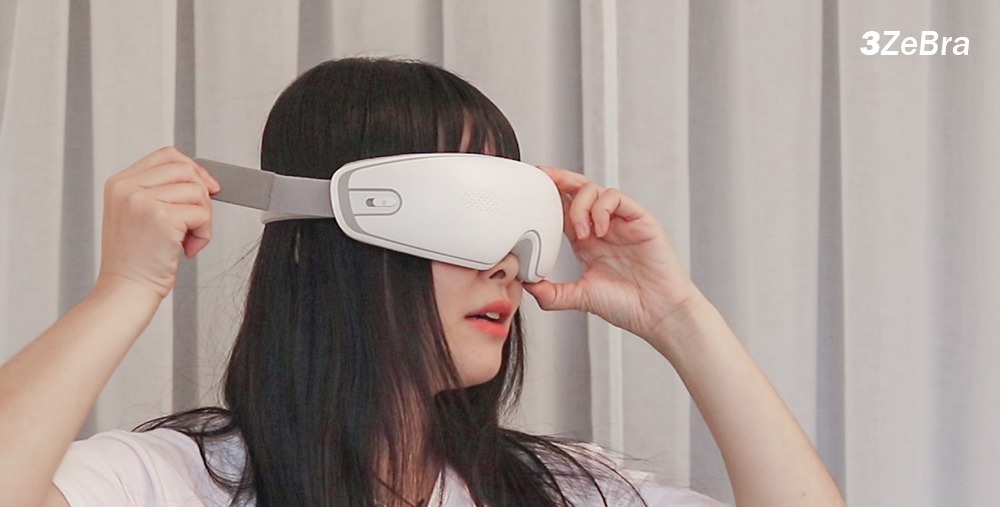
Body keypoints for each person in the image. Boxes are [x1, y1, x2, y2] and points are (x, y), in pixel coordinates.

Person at [0, 58, 844, 506]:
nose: (506, 261)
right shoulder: (176, 483)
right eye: (465, 214)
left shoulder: (559, 490)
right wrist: (123, 288)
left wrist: (678, 314)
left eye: (518, 216)